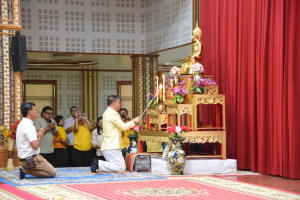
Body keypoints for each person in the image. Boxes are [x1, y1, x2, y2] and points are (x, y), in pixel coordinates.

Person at [90, 95, 141, 173]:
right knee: (121, 167)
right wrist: (133, 121)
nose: (119, 104)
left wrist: (133, 121)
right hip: (112, 145)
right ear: (114, 103)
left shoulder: (107, 112)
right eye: (118, 102)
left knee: (116, 166)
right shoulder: (112, 113)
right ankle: (99, 164)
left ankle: (99, 165)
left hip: (109, 145)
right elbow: (123, 127)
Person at [17, 102, 56, 179]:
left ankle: (25, 169)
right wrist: (40, 137)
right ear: (29, 112)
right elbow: (35, 146)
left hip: (24, 159)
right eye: (35, 109)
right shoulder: (29, 126)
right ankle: (25, 170)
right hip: (32, 159)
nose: (36, 112)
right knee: (52, 172)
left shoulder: (22, 124)